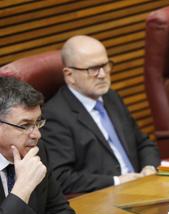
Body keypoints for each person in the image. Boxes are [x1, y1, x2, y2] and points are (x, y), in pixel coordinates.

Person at [43, 35, 160, 194]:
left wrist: (149, 167)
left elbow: (143, 143)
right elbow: (61, 177)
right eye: (93, 69)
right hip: (104, 199)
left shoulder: (111, 97)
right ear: (69, 75)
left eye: (105, 65)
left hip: (143, 188)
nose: (102, 74)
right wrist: (116, 181)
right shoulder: (55, 115)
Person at [0, 76, 79, 214]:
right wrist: (22, 189)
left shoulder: (35, 151)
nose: (36, 134)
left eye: (38, 123)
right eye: (25, 126)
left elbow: (59, 209)